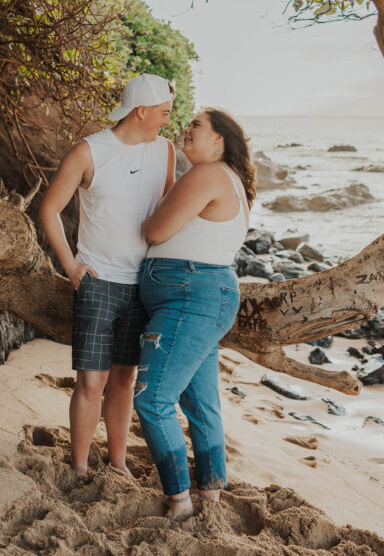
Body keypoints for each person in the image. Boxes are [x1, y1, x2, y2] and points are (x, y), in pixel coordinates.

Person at [38, 73, 176, 478]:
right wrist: (71, 266)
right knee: (91, 383)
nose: (169, 120)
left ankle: (117, 463)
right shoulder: (88, 152)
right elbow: (49, 210)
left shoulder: (164, 150)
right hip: (97, 281)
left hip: (144, 284)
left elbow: (167, 213)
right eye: (164, 113)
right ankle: (79, 467)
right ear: (142, 111)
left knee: (124, 380)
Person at [133, 107, 255, 521]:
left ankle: (180, 502)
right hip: (204, 296)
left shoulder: (207, 175)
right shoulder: (231, 181)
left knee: (152, 398)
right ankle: (209, 494)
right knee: (201, 403)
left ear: (219, 140)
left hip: (190, 298)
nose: (186, 130)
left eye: (196, 126)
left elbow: (154, 231)